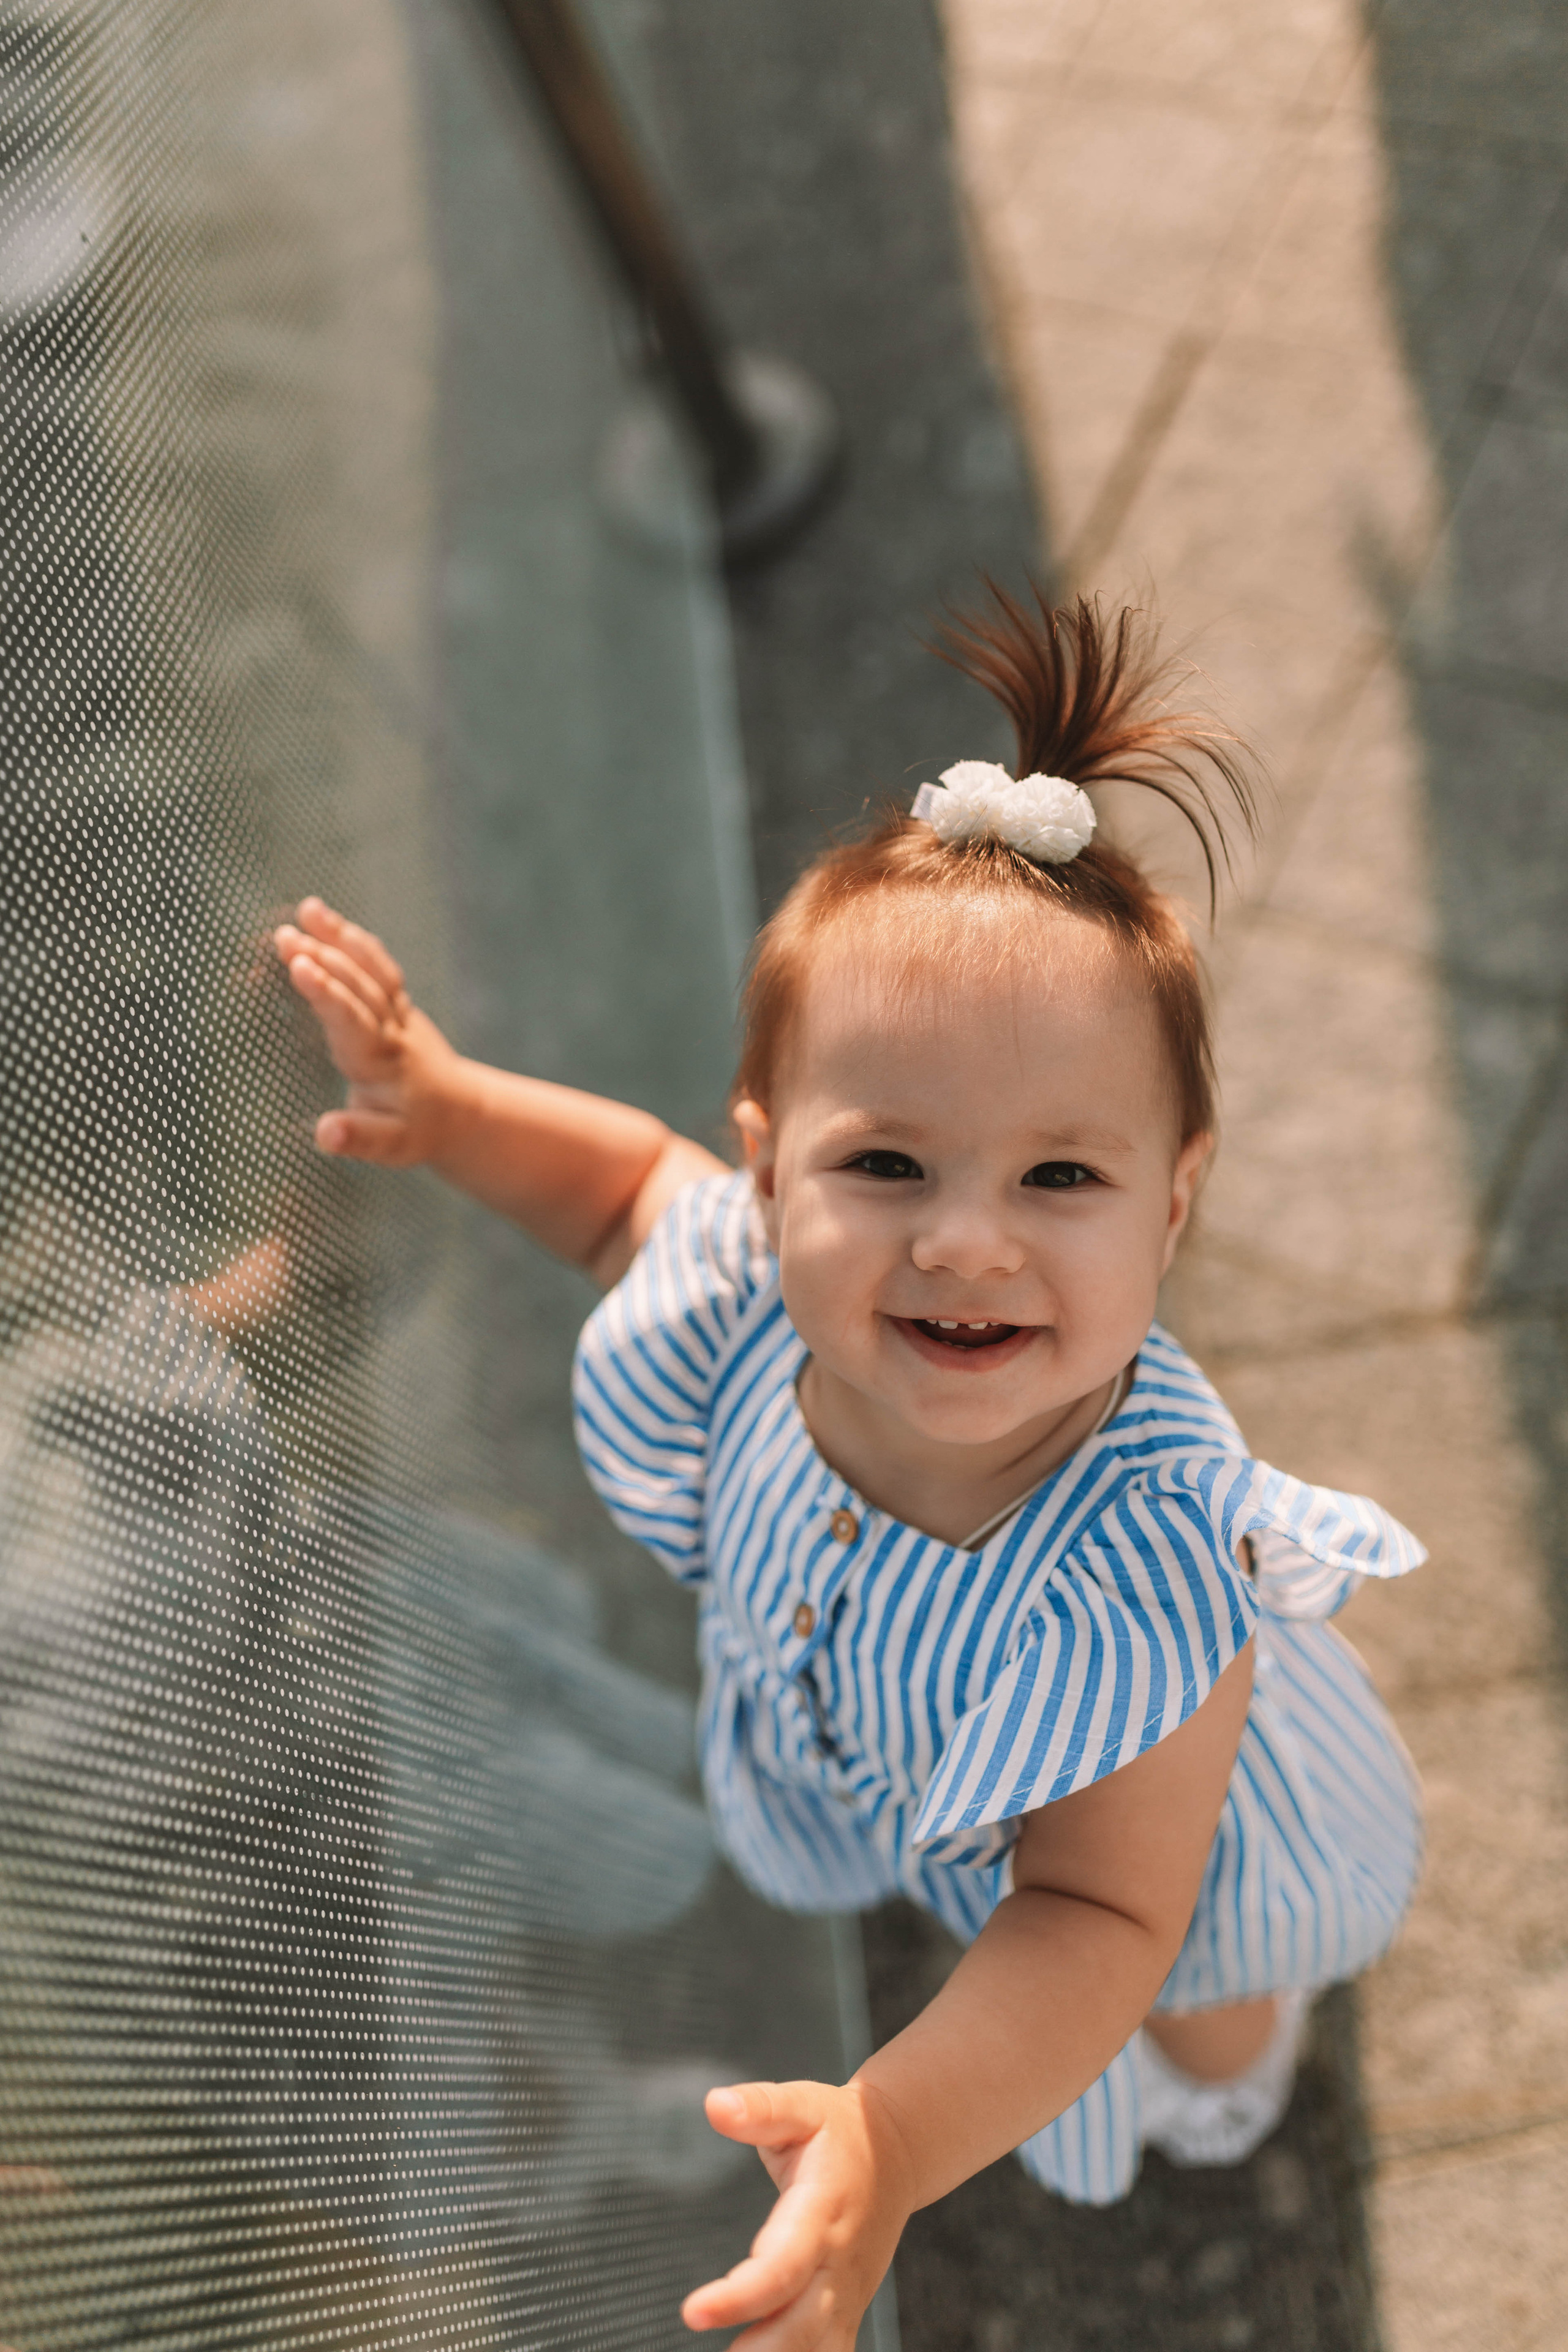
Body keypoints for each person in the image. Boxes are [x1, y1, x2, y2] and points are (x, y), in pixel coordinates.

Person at [273, 586, 1424, 2351]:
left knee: (1189, 1996)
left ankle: (1249, 2055)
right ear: (768, 1170)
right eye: (887, 1164)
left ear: (1175, 1204)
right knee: (990, 1901)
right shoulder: (747, 1285)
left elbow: (1096, 1907)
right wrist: (449, 1106)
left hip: (1155, 1844)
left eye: (1060, 1178)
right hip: (886, 1734)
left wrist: (890, 2136)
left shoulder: (1152, 1578)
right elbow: (619, 1192)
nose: (966, 1241)